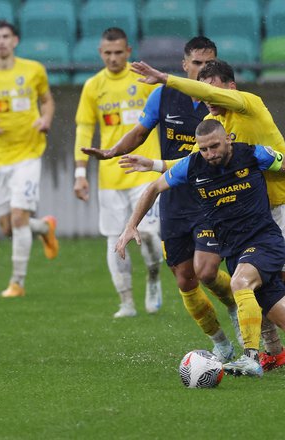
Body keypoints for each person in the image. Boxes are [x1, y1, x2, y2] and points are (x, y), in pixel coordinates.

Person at [117, 120, 285, 377]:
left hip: (265, 242)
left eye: (215, 146)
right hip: (235, 252)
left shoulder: (252, 154)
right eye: (204, 149)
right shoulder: (192, 166)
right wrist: (131, 226)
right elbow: (153, 189)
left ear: (228, 139)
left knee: (240, 282)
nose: (210, 153)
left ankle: (250, 356)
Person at [130, 59, 285, 372]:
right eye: (204, 95)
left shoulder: (247, 103)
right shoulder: (214, 124)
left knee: (280, 282)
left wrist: (165, 78)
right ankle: (273, 351)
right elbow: (193, 163)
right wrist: (152, 165)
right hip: (260, 210)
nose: (208, 99)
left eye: (212, 91)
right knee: (259, 283)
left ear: (230, 87)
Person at [81, 36, 242, 362]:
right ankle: (220, 342)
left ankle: (236, 306)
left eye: (208, 64)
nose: (201, 71)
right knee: (185, 279)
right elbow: (139, 133)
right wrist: (113, 152)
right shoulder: (164, 96)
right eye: (196, 64)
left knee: (207, 270)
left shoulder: (225, 102)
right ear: (185, 65)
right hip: (174, 201)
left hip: (211, 197)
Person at [73, 27, 163, 318]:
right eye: (107, 53)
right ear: (101, 53)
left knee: (149, 233)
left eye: (118, 52)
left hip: (145, 170)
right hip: (110, 176)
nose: (113, 58)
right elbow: (85, 129)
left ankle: (153, 278)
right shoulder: (93, 86)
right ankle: (126, 301)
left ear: (128, 51)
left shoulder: (144, 79)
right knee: (115, 238)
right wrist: (80, 172)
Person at [0, 20, 58, 298]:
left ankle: (17, 282)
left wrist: (46, 119)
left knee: (18, 217)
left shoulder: (33, 70)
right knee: (7, 227)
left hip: (29, 153)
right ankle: (44, 227)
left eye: (6, 36)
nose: (1, 41)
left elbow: (47, 100)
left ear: (15, 40)